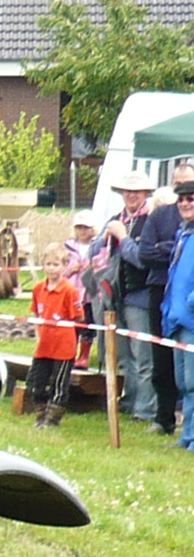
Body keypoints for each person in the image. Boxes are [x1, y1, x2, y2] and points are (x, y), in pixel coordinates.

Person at [113, 161, 194, 433]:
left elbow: (160, 253)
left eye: (189, 191)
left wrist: (164, 248)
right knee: (164, 361)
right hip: (162, 294)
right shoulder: (161, 216)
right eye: (179, 188)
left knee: (189, 371)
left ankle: (188, 428)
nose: (184, 199)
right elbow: (146, 254)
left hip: (187, 303)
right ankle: (166, 419)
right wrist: (165, 249)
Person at [104, 170, 159, 425]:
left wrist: (122, 238)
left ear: (145, 193)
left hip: (141, 297)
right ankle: (129, 402)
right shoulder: (115, 220)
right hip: (117, 297)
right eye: (128, 191)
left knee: (143, 357)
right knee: (124, 357)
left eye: (136, 191)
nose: (131, 196)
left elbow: (141, 259)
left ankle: (145, 410)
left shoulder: (151, 221)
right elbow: (96, 254)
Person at [27, 243, 84, 428]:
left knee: (59, 385)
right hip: (44, 345)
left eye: (56, 264)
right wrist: (38, 337)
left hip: (63, 346)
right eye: (48, 264)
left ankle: (52, 420)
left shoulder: (69, 291)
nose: (52, 268)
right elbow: (36, 315)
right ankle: (40, 416)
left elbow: (78, 318)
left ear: (65, 265)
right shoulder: (38, 289)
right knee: (36, 383)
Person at [162, 180, 194, 449]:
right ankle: (186, 437)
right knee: (183, 383)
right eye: (181, 199)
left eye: (190, 198)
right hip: (176, 319)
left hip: (192, 320)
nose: (184, 203)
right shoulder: (183, 234)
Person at [65, 209, 98, 368]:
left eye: (85, 227)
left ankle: (84, 356)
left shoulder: (97, 245)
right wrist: (72, 269)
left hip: (90, 294)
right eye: (79, 227)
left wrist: (92, 266)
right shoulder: (68, 247)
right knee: (72, 326)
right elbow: (59, 269)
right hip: (72, 293)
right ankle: (69, 354)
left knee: (87, 325)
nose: (82, 231)